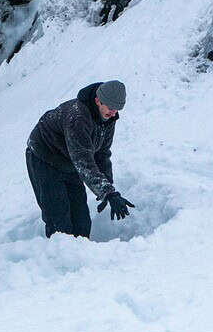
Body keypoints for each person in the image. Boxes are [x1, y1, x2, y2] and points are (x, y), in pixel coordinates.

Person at [26, 80, 135, 239]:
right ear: (98, 101)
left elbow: (102, 154)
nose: (114, 113)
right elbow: (83, 160)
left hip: (70, 161)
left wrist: (109, 190)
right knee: (59, 222)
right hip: (45, 158)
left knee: (81, 222)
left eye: (117, 109)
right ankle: (58, 260)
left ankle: (82, 259)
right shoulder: (78, 117)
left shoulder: (108, 118)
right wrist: (108, 194)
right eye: (111, 108)